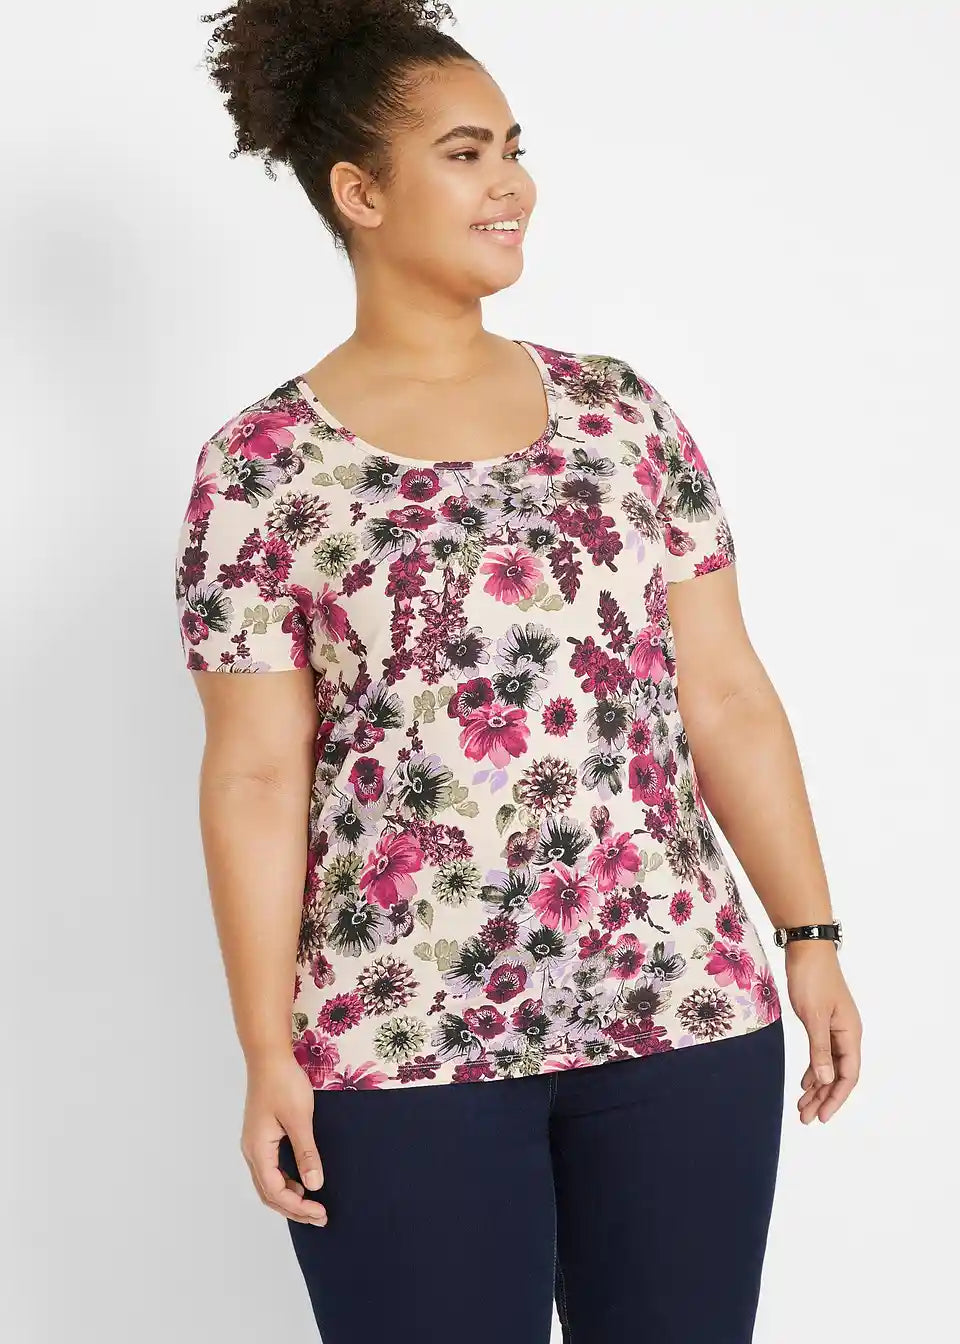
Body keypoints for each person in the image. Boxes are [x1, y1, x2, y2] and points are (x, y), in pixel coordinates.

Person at [175, 3, 862, 1341]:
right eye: (466, 154)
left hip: (679, 1007)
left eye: (513, 149)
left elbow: (725, 694)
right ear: (360, 193)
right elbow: (256, 773)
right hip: (398, 1037)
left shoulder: (621, 413)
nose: (512, 185)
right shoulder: (261, 468)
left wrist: (812, 937)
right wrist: (266, 1050)